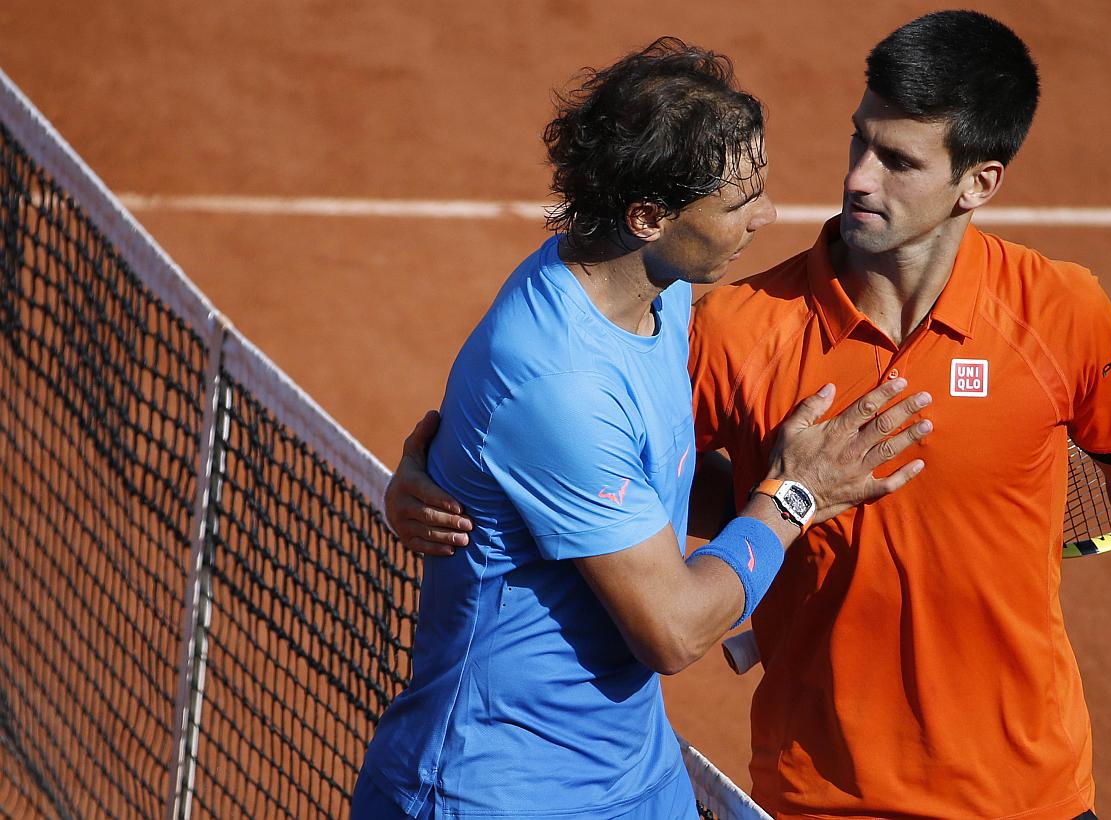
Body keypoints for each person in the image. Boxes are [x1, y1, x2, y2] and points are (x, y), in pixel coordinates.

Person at [388, 12, 1111, 820]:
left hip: (1030, 795)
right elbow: (592, 452)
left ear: (977, 183)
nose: (858, 179)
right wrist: (430, 481)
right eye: (859, 141)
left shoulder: (1060, 311)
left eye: (898, 160)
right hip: (816, 796)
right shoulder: (734, 327)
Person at [351, 38, 934, 819]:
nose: (766, 217)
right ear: (648, 216)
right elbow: (672, 631)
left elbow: (654, 474)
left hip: (632, 775)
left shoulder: (658, 291)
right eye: (738, 204)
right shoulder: (558, 382)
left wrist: (823, 507)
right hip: (498, 790)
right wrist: (792, 498)